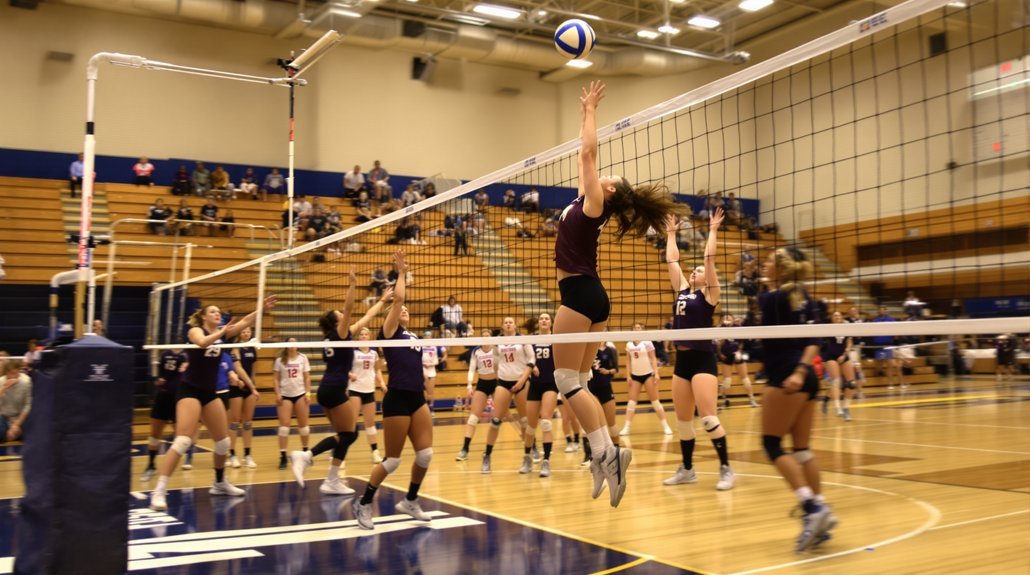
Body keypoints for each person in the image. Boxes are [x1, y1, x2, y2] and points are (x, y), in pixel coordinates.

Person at [552, 81, 689, 507]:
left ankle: (606, 453)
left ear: (608, 191)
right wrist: (581, 116)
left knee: (564, 380)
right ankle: (605, 455)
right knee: (582, 379)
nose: (602, 175)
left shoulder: (594, 203)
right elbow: (585, 162)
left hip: (578, 293)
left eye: (608, 179)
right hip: (595, 296)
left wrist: (591, 111)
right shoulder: (586, 200)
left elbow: (587, 154)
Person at [149, 295, 276, 511]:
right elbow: (202, 343)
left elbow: (246, 322)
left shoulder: (223, 334)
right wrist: (222, 332)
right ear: (204, 317)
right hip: (189, 390)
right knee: (182, 441)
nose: (217, 314)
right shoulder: (196, 330)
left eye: (219, 312)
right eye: (213, 312)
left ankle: (219, 482)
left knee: (223, 442)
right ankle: (159, 490)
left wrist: (261, 309)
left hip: (210, 392)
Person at [758, 247, 836, 551]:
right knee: (801, 449)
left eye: (768, 262)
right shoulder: (802, 296)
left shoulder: (771, 298)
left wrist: (795, 373)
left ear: (780, 268)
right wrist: (804, 371)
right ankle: (820, 510)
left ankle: (811, 508)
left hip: (785, 376)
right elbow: (814, 341)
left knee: (772, 444)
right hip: (808, 376)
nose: (763, 265)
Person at [290, 270, 393, 494]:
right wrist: (353, 285)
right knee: (350, 434)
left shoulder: (333, 337)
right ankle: (306, 456)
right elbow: (349, 309)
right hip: (334, 390)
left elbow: (366, 318)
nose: (344, 316)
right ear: (337, 322)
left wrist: (383, 301)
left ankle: (332, 479)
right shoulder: (340, 332)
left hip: (327, 389)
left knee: (345, 435)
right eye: (340, 316)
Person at [353, 251, 434, 529]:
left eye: (406, 311)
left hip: (417, 397)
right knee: (393, 460)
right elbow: (399, 300)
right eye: (400, 310)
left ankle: (411, 500)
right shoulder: (390, 334)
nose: (405, 311)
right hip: (397, 397)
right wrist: (401, 273)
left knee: (425, 454)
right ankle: (364, 503)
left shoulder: (414, 337)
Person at [662, 207, 736, 491]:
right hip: (682, 361)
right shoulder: (681, 290)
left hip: (703, 360)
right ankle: (688, 469)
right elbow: (672, 259)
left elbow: (709, 258)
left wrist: (714, 230)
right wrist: (671, 234)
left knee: (707, 417)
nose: (695, 271)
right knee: (682, 422)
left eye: (700, 271)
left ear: (708, 279)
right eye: (694, 270)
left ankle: (726, 469)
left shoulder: (710, 294)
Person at [479, 317, 534, 474]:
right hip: (503, 382)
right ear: (502, 326)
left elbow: (531, 359)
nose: (508, 324)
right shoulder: (497, 342)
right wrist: (500, 378)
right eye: (506, 322)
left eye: (511, 322)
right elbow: (495, 362)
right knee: (496, 420)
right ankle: (487, 456)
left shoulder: (523, 340)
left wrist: (523, 380)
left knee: (525, 421)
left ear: (515, 325)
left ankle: (528, 456)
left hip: (522, 382)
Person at [522, 313, 559, 477]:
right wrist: (531, 366)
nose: (544, 320)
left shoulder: (557, 339)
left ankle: (546, 461)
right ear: (538, 323)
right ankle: (527, 457)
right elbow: (524, 358)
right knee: (530, 426)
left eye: (546, 318)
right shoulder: (531, 339)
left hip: (551, 384)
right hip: (535, 384)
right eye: (541, 319)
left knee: (546, 421)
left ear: (551, 322)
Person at [619, 323, 673, 436]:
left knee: (655, 401)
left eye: (639, 328)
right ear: (632, 330)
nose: (637, 329)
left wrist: (656, 373)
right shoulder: (629, 344)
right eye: (635, 328)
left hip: (648, 374)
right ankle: (627, 427)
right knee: (631, 402)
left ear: (642, 330)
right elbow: (628, 361)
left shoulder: (647, 342)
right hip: (635, 376)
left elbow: (653, 358)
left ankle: (665, 425)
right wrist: (628, 375)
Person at [457, 328, 497, 461]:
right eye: (483, 336)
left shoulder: (496, 349)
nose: (485, 338)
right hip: (482, 384)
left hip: (497, 383)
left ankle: (530, 444)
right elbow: (471, 369)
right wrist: (469, 385)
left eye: (487, 336)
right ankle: (465, 448)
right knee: (473, 417)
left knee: (504, 415)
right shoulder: (476, 351)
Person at [272, 338, 312, 469]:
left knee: (303, 425)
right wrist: (277, 393)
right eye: (289, 342)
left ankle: (306, 453)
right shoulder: (279, 360)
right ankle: (283, 456)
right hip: (285, 395)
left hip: (300, 393)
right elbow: (276, 379)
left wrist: (308, 393)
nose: (292, 345)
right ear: (286, 345)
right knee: (284, 426)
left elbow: (307, 377)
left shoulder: (303, 358)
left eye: (295, 342)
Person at [350, 327, 388, 463]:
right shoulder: (353, 351)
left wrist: (382, 383)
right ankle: (339, 454)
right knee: (351, 423)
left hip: (369, 390)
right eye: (362, 334)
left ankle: (375, 452)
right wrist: (350, 374)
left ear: (369, 336)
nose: (364, 336)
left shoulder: (374, 353)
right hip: (355, 389)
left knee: (370, 423)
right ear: (358, 337)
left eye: (366, 334)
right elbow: (344, 368)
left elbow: (377, 370)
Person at [228, 328, 260, 468]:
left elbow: (254, 367)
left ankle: (247, 455)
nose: (246, 333)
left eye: (248, 332)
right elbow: (239, 368)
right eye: (243, 331)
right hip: (237, 386)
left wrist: (253, 384)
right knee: (234, 422)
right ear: (239, 333)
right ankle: (232, 454)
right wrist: (250, 386)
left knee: (247, 423)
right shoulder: (235, 347)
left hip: (249, 387)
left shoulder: (253, 348)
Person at [585, 340, 619, 466]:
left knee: (611, 423)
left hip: (605, 387)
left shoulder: (610, 350)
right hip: (590, 387)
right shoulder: (588, 348)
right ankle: (589, 456)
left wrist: (608, 371)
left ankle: (616, 452)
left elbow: (616, 369)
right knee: (590, 424)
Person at [820, 312, 857, 421]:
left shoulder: (846, 327)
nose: (837, 317)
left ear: (841, 318)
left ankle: (845, 408)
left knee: (852, 383)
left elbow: (849, 343)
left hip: (843, 355)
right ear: (832, 318)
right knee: (837, 381)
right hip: (830, 356)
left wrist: (845, 354)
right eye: (835, 316)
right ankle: (838, 408)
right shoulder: (828, 328)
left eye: (839, 316)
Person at [717, 313, 757, 408]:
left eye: (729, 318)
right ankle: (725, 400)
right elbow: (718, 344)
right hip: (726, 355)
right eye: (725, 318)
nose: (727, 320)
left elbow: (741, 343)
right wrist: (720, 354)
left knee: (745, 378)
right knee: (727, 380)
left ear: (732, 319)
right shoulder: (720, 329)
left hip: (736, 354)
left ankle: (752, 400)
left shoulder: (737, 327)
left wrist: (739, 352)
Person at [0, 360, 31, 443]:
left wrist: (17, 424)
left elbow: (28, 405)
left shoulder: (26, 382)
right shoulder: (1, 381)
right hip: (4, 416)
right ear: (6, 373)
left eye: (17, 373)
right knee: (1, 434)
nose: (15, 376)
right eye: (11, 374)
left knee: (31, 434)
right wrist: (4, 388)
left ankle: (13, 434)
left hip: (20, 416)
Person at [871, 307, 902, 389]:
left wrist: (895, 336)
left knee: (890, 365)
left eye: (883, 310)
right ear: (878, 311)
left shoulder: (891, 319)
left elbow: (896, 330)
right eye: (880, 310)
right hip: (878, 345)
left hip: (888, 344)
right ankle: (877, 377)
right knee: (878, 365)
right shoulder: (875, 321)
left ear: (886, 311)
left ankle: (890, 383)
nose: (881, 311)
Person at [421, 333, 446, 413]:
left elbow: (444, 354)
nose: (427, 338)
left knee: (430, 392)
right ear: (424, 338)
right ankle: (424, 408)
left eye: (429, 337)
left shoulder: (435, 346)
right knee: (424, 391)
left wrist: (438, 361)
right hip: (423, 369)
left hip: (432, 369)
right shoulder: (421, 346)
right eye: (426, 337)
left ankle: (431, 407)